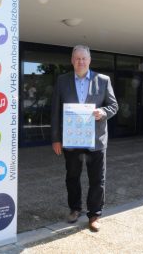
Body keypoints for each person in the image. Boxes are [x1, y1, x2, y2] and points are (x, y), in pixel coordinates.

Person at [51, 45, 118, 232]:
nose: (80, 61)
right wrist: (56, 138)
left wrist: (102, 112)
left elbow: (114, 106)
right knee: (72, 177)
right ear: (72, 60)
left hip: (96, 141)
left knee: (97, 179)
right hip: (72, 140)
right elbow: (55, 111)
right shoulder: (62, 80)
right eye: (77, 58)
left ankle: (94, 214)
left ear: (89, 60)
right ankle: (75, 209)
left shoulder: (103, 80)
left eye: (84, 58)